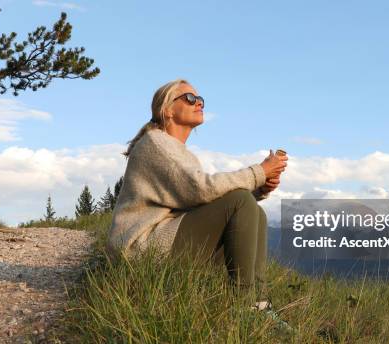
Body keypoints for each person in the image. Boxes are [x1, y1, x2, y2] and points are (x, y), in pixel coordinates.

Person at [106, 79, 288, 301]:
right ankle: (245, 303)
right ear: (167, 111)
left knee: (255, 212)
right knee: (240, 201)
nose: (198, 103)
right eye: (189, 98)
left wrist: (258, 190)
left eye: (200, 99)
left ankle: (260, 301)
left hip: (163, 238)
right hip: (139, 249)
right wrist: (259, 171)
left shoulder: (174, 150)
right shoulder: (154, 143)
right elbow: (201, 189)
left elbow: (200, 200)